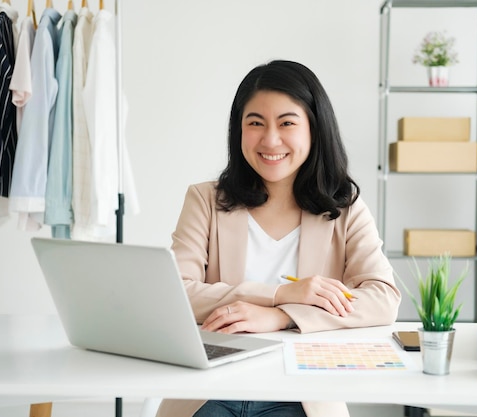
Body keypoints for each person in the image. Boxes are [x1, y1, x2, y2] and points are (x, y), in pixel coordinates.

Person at [155, 60, 401, 417]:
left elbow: (382, 298)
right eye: (255, 123)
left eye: (287, 123)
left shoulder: (344, 207)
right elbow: (174, 293)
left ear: (314, 129)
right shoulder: (205, 200)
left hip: (303, 396)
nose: (270, 140)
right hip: (209, 391)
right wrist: (280, 292)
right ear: (238, 130)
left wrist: (282, 316)